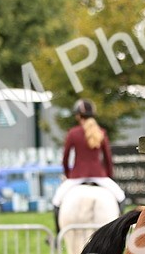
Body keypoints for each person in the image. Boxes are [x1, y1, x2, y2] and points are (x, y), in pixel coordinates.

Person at [51, 98, 125, 234]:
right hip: (99, 176)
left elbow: (65, 158)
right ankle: (120, 233)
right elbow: (108, 159)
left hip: (77, 176)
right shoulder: (101, 132)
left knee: (56, 201)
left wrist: (69, 176)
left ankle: (57, 235)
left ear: (78, 116)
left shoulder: (73, 133)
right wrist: (108, 176)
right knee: (120, 197)